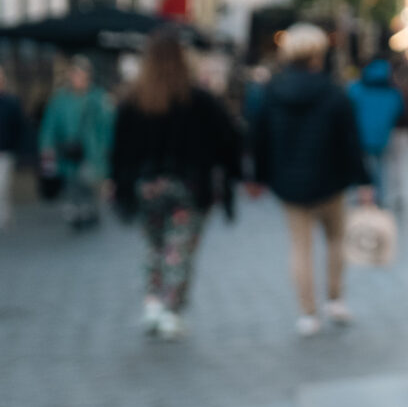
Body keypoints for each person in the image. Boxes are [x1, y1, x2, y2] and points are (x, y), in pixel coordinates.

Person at [107, 30, 241, 340]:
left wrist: (120, 184)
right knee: (179, 250)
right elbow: (228, 141)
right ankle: (170, 309)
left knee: (154, 246)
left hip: (146, 187)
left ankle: (152, 303)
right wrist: (231, 177)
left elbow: (119, 151)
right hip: (188, 188)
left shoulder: (133, 101)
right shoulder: (199, 100)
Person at [247, 24, 371, 337]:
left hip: (289, 183)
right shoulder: (333, 91)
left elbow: (259, 138)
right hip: (331, 180)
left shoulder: (271, 92)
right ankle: (335, 299)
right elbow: (350, 140)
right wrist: (364, 180)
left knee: (300, 248)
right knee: (335, 241)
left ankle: (307, 314)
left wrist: (258, 177)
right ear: (318, 54)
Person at [37, 59, 113, 231]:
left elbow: (106, 124)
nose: (78, 78)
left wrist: (108, 147)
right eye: (75, 74)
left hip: (92, 150)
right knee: (72, 181)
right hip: (67, 149)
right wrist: (46, 146)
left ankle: (88, 210)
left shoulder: (97, 97)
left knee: (87, 179)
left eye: (81, 74)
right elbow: (50, 124)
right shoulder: (60, 99)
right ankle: (77, 211)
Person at [346, 55, 407, 208]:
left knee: (361, 166)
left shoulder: (356, 89)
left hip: (361, 136)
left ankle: (362, 196)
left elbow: (348, 108)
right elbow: (398, 111)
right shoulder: (393, 92)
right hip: (383, 136)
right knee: (381, 167)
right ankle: (380, 196)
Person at [0, 66, 25, 230]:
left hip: (5, 151)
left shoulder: (11, 102)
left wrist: (13, 146)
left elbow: (18, 127)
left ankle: (3, 218)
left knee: (2, 187)